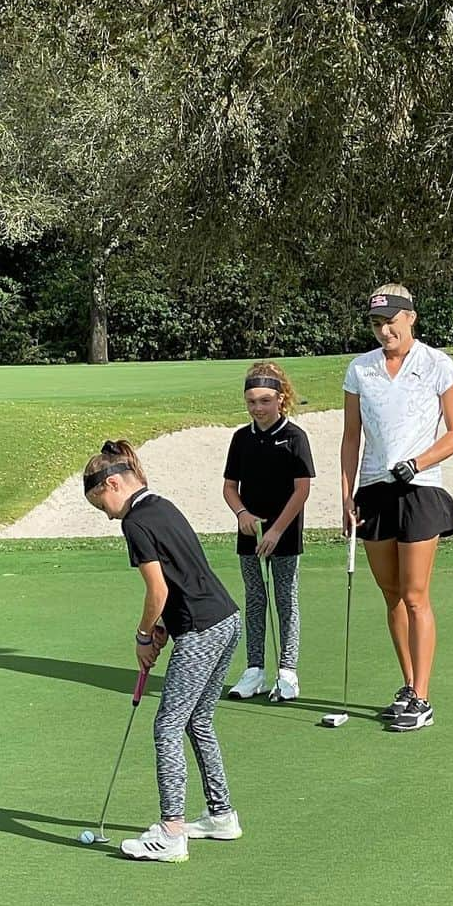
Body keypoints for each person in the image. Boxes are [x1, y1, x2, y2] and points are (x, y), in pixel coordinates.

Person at [83, 440, 242, 862]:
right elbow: (185, 574)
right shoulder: (162, 505)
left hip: (202, 631)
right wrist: (163, 630)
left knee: (168, 726)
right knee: (199, 719)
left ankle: (172, 833)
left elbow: (159, 588)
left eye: (102, 505)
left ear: (113, 484)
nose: (106, 514)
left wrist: (142, 634)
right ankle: (221, 814)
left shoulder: (134, 522)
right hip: (226, 619)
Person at [340, 284, 453, 731]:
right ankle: (409, 685)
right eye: (377, 323)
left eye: (391, 321)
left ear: (410, 317)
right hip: (374, 491)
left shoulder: (437, 364)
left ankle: (424, 697)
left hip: (419, 488)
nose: (384, 330)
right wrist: (345, 497)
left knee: (415, 596)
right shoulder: (360, 370)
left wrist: (417, 462)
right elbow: (351, 437)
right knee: (391, 594)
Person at [223, 361, 315, 702]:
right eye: (251, 402)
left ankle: (288, 672)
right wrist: (241, 512)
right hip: (250, 532)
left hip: (285, 533)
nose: (258, 408)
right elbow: (230, 487)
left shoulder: (294, 438)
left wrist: (276, 530)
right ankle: (255, 671)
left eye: (264, 400)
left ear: (281, 399)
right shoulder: (241, 439)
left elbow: (301, 490)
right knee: (255, 599)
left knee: (285, 600)